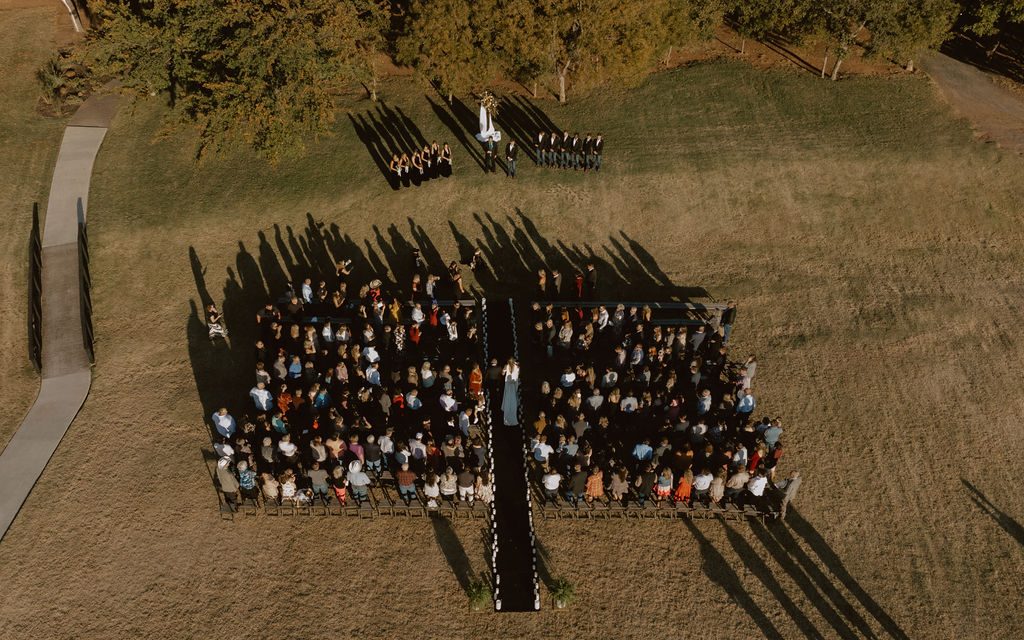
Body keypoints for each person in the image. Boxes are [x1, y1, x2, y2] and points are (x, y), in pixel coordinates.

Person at [501, 358, 520, 426]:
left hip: (508, 384)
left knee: (507, 397)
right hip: (514, 384)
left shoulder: (506, 366)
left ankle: (507, 409)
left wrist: (504, 370)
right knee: (513, 398)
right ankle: (513, 412)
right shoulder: (517, 366)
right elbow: (518, 374)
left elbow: (503, 374)